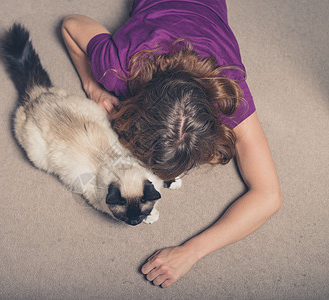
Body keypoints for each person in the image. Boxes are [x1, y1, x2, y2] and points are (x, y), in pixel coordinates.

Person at [61, 0, 282, 288]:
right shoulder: (119, 68)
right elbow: (70, 24)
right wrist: (93, 87)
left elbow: (269, 196)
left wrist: (192, 251)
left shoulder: (230, 98)